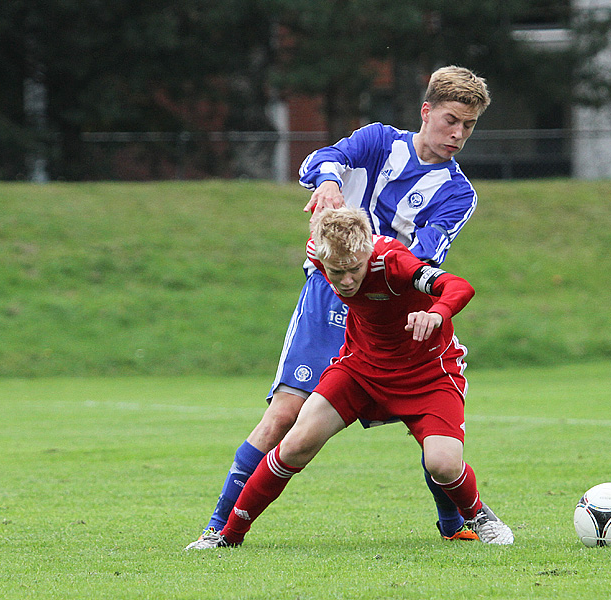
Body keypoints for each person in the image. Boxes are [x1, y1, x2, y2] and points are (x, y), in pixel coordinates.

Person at [186, 66, 492, 548]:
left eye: (469, 125)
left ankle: (454, 522)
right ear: (426, 111)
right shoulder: (377, 141)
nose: (458, 134)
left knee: (426, 420)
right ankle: (219, 524)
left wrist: (347, 242)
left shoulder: (457, 193)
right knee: (285, 415)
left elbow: (424, 256)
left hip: (391, 307)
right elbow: (320, 159)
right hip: (329, 297)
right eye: (451, 119)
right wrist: (328, 182)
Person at [186, 207, 514, 548]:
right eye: (336, 272)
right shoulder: (318, 253)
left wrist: (436, 313)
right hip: (361, 369)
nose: (345, 280)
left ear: (366, 252)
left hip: (427, 372)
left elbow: (458, 286)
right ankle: (228, 536)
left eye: (353, 269)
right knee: (296, 444)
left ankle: (478, 515)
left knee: (442, 464)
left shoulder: (391, 262)